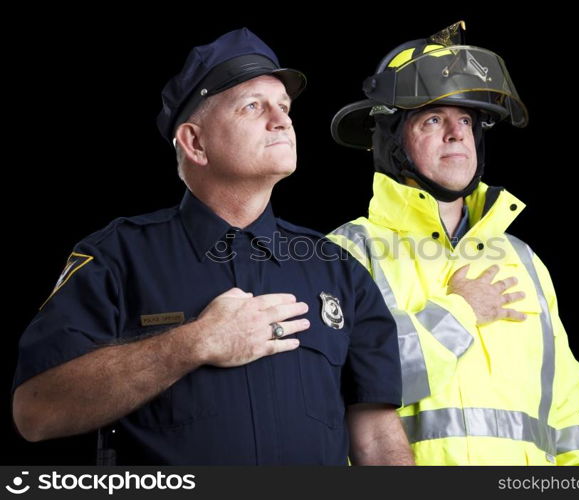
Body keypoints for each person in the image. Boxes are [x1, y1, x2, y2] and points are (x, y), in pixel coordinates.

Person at [12, 28, 413, 466]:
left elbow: (376, 439)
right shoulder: (116, 257)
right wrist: (194, 343)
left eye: (284, 107)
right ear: (195, 142)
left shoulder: (339, 270)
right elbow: (36, 411)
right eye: (253, 106)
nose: (282, 120)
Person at [328, 21, 579, 465]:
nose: (457, 134)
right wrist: (459, 313)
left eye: (467, 121)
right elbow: (343, 384)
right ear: (392, 140)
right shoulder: (347, 252)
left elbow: (566, 413)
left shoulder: (524, 261)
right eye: (433, 119)